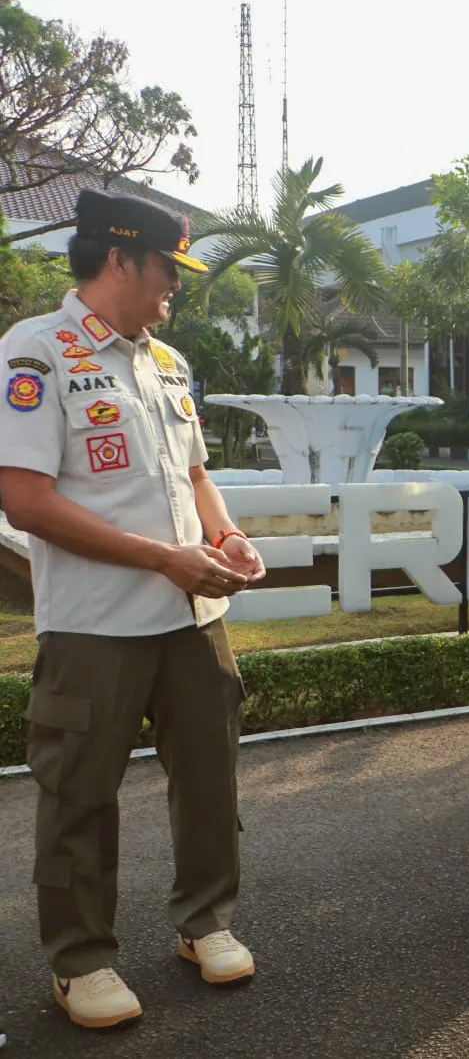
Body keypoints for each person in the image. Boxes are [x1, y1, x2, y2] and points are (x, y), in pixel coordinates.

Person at [0, 189, 266, 1029]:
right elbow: (25, 500)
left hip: (193, 616)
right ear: (119, 259)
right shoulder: (37, 352)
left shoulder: (166, 361)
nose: (176, 285)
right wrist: (161, 558)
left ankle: (206, 922)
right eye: (166, 267)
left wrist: (227, 537)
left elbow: (194, 474)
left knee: (209, 777)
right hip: (95, 623)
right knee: (78, 793)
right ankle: (81, 962)